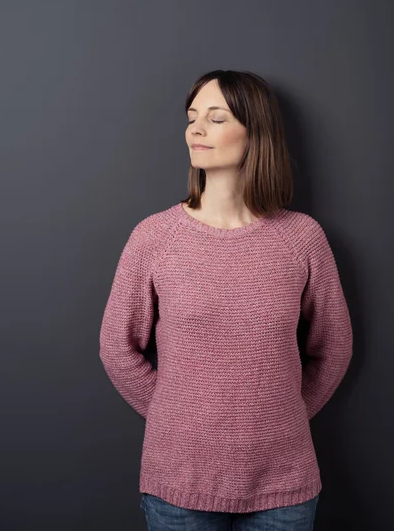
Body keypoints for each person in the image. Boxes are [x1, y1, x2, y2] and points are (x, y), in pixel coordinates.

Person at [99, 69, 353, 530]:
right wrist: (173, 414)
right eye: (192, 117)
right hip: (178, 483)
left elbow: (333, 347)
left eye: (216, 119)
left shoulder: (302, 238)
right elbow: (117, 347)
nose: (195, 129)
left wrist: (282, 415)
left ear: (256, 133)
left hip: (283, 486)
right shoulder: (154, 237)